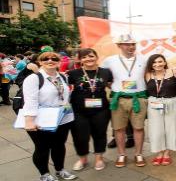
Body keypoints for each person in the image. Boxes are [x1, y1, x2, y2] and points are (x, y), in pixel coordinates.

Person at [23, 52, 76, 181]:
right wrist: (29, 121)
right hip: (41, 120)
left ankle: (60, 170)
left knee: (59, 145)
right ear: (40, 62)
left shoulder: (62, 77)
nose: (50, 60)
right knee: (42, 148)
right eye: (45, 59)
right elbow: (31, 100)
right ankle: (44, 174)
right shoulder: (34, 78)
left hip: (62, 119)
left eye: (54, 58)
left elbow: (64, 96)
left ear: (59, 62)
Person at [102, 34, 148, 167]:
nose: (131, 47)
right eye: (127, 44)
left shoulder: (144, 59)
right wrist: (115, 87)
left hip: (138, 98)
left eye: (133, 44)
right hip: (119, 99)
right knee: (119, 128)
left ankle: (138, 154)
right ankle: (121, 154)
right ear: (119, 45)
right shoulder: (109, 60)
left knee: (139, 128)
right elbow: (103, 78)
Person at [68, 48, 113, 171]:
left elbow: (112, 85)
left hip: (101, 110)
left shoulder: (106, 72)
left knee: (100, 134)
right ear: (80, 59)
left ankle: (99, 158)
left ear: (97, 57)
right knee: (80, 136)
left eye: (91, 56)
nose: (88, 59)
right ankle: (83, 158)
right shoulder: (73, 74)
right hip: (79, 110)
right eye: (84, 57)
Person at [145, 54, 176, 166]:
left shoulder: (174, 72)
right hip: (154, 104)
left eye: (160, 61)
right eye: (154, 62)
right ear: (151, 64)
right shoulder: (147, 74)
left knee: (171, 127)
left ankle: (167, 153)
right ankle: (159, 153)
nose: (157, 64)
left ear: (165, 62)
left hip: (172, 102)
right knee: (156, 129)